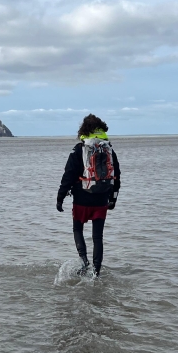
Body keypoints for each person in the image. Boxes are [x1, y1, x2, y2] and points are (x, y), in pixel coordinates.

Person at [56, 114, 121, 276]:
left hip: (81, 199)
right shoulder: (108, 149)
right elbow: (117, 175)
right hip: (102, 200)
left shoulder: (79, 149)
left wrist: (60, 197)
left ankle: (84, 263)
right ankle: (96, 272)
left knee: (77, 229)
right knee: (98, 236)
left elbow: (68, 174)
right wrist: (113, 199)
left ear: (84, 130)